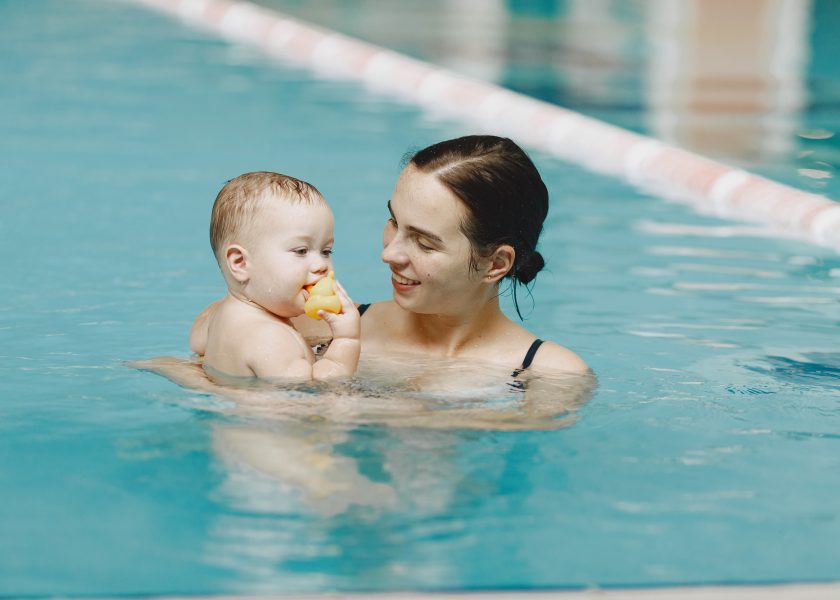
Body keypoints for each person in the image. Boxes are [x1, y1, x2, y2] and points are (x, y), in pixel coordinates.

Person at [193, 171, 360, 381]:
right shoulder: (271, 339)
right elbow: (313, 393)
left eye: (326, 251)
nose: (321, 266)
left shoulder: (217, 316)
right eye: (301, 251)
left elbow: (196, 342)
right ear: (240, 263)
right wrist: (346, 340)